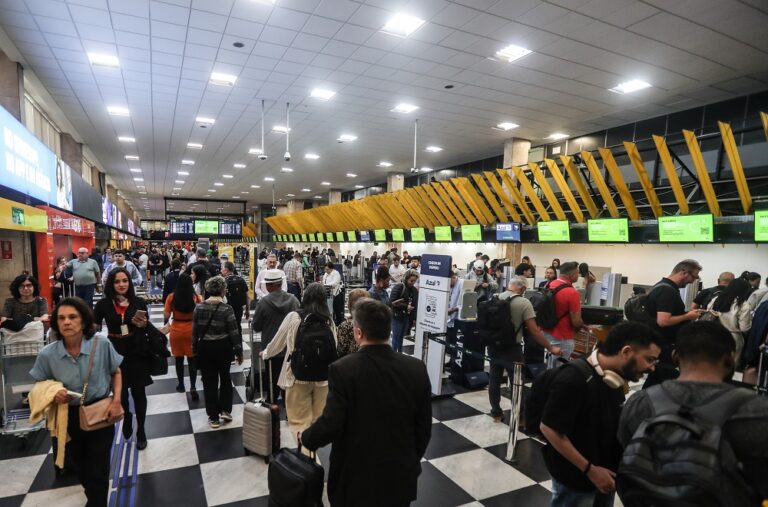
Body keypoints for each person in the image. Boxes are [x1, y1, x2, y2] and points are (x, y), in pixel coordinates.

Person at [300, 298, 432, 507]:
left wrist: (307, 438)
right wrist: (410, 459)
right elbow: (423, 428)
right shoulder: (416, 368)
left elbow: (332, 423)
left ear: (359, 332)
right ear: (388, 330)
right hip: (399, 476)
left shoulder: (342, 369)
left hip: (354, 479)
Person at [617, 321, 768, 503]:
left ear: (675, 356)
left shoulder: (640, 402)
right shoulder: (756, 410)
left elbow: (627, 452)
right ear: (730, 358)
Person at [540, 322, 661, 507]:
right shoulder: (573, 379)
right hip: (577, 478)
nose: (652, 368)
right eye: (649, 359)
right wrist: (590, 470)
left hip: (605, 473)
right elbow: (549, 428)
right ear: (626, 352)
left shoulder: (614, 377)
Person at [29, 297, 124, 506]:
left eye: (73, 317)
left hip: (99, 412)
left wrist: (116, 402)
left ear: (83, 320)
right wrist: (53, 393)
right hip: (67, 417)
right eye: (61, 318)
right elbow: (38, 386)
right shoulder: (47, 354)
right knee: (80, 467)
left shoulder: (101, 343)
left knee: (98, 471)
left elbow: (116, 372)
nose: (67, 322)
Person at [261, 283, 337, 435]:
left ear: (305, 297)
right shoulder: (329, 321)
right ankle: (311, 454)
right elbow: (334, 346)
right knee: (317, 422)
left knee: (299, 423)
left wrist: (265, 353)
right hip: (323, 379)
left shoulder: (294, 317)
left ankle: (305, 456)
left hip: (296, 375)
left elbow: (278, 342)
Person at [93, 267, 151, 450]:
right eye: (117, 281)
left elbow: (146, 327)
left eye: (124, 281)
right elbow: (94, 327)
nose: (121, 285)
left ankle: (141, 430)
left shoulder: (139, 301)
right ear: (111, 283)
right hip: (115, 353)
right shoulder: (103, 305)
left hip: (137, 352)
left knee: (139, 394)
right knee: (122, 394)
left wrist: (143, 325)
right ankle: (126, 421)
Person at [490, 276, 561, 422]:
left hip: (493, 345)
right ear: (522, 288)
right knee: (517, 381)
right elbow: (534, 331)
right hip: (512, 348)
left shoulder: (495, 297)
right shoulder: (524, 302)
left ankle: (496, 413)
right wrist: (551, 347)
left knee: (494, 379)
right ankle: (519, 416)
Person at [644, 259, 705, 387]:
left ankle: (644, 403)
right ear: (683, 272)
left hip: (660, 344)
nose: (693, 281)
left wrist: (687, 314)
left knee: (656, 380)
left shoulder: (663, 286)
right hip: (664, 346)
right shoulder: (667, 291)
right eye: (694, 277)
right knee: (664, 380)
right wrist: (688, 316)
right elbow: (663, 321)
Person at [193, 276, 243, 429]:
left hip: (205, 348)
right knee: (225, 378)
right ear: (222, 290)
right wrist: (238, 351)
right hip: (223, 348)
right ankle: (226, 411)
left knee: (209, 382)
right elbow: (234, 332)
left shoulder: (199, 307)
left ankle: (213, 417)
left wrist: (194, 349)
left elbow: (195, 332)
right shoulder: (227, 309)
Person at [252, 269, 299, 403]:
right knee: (289, 378)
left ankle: (272, 405)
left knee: (272, 379)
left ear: (268, 285)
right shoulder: (293, 300)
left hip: (270, 348)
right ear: (281, 283)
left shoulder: (263, 303)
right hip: (290, 348)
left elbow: (256, 326)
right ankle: (288, 404)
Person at [541, 261, 585, 368]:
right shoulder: (572, 292)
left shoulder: (549, 285)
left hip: (546, 332)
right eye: (577, 273)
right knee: (559, 370)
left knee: (550, 366)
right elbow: (576, 321)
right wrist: (582, 325)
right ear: (572, 274)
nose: (578, 276)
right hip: (562, 336)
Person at [164, 273, 201, 400]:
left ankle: (180, 384)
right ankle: (193, 386)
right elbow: (200, 314)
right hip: (191, 330)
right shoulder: (196, 297)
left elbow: (166, 315)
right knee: (192, 360)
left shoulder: (171, 297)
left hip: (176, 330)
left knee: (178, 360)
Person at [708, 277, 753, 369]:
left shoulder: (716, 299)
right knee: (728, 367)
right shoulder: (743, 305)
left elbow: (709, 312)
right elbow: (744, 328)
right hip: (732, 337)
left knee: (711, 364)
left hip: (712, 334)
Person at [389, 269, 418, 353]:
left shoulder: (415, 290)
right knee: (395, 337)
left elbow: (415, 305)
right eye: (411, 280)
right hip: (397, 317)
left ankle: (399, 354)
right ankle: (394, 356)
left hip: (406, 317)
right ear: (406, 278)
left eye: (414, 281)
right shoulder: (399, 287)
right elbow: (392, 302)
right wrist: (406, 306)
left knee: (401, 338)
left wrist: (413, 319)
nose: (412, 283)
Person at [336, 288, 370, 358]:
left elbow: (340, 351)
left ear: (350, 304)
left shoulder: (346, 325)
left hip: (350, 364)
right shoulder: (374, 323)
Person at [221, 262, 249, 337]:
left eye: (222, 268)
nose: (221, 270)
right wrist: (247, 310)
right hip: (239, 308)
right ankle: (239, 344)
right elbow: (247, 296)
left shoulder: (223, 281)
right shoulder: (241, 280)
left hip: (227, 309)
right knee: (238, 325)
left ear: (226, 270)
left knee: (227, 327)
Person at [322, 261, 344, 325]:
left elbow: (334, 284)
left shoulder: (336, 273)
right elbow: (323, 282)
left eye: (327, 269)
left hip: (336, 294)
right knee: (329, 310)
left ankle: (339, 324)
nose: (325, 270)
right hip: (328, 294)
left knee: (337, 311)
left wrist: (324, 285)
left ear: (331, 268)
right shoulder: (326, 274)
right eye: (325, 269)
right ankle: (331, 323)